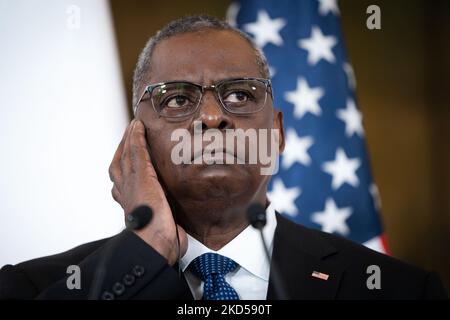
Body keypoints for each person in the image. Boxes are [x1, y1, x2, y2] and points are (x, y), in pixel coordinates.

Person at [0, 15, 447, 300]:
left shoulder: (401, 291)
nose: (212, 117)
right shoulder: (32, 288)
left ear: (276, 133)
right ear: (135, 138)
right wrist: (144, 251)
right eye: (177, 100)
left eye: (238, 94)